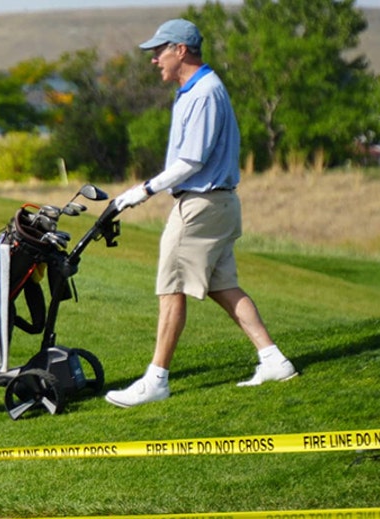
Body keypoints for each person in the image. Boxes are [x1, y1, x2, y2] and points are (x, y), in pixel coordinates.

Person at [106, 18, 297, 409]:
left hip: (202, 204)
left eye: (159, 51)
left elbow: (191, 160)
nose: (154, 59)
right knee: (222, 285)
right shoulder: (193, 91)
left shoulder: (205, 92)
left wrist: (142, 191)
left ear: (181, 50)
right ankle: (273, 359)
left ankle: (156, 379)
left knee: (171, 287)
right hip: (216, 203)